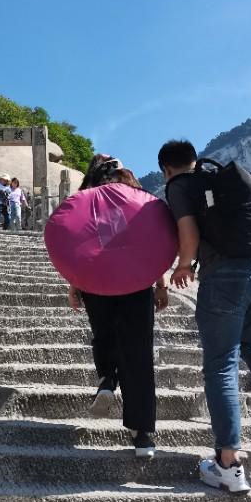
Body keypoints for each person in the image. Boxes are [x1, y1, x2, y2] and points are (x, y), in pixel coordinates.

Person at [158, 139, 251, 493]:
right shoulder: (220, 178)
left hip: (226, 275)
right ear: (194, 159)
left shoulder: (179, 186)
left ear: (166, 169)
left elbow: (188, 233)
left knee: (221, 363)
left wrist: (182, 265)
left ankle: (228, 464)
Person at [68, 154, 169, 457]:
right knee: (138, 352)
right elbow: (154, 241)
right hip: (136, 281)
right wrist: (160, 284)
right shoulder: (135, 191)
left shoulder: (85, 196)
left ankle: (106, 380)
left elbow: (74, 245)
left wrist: (74, 285)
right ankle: (142, 436)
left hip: (95, 280)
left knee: (103, 335)